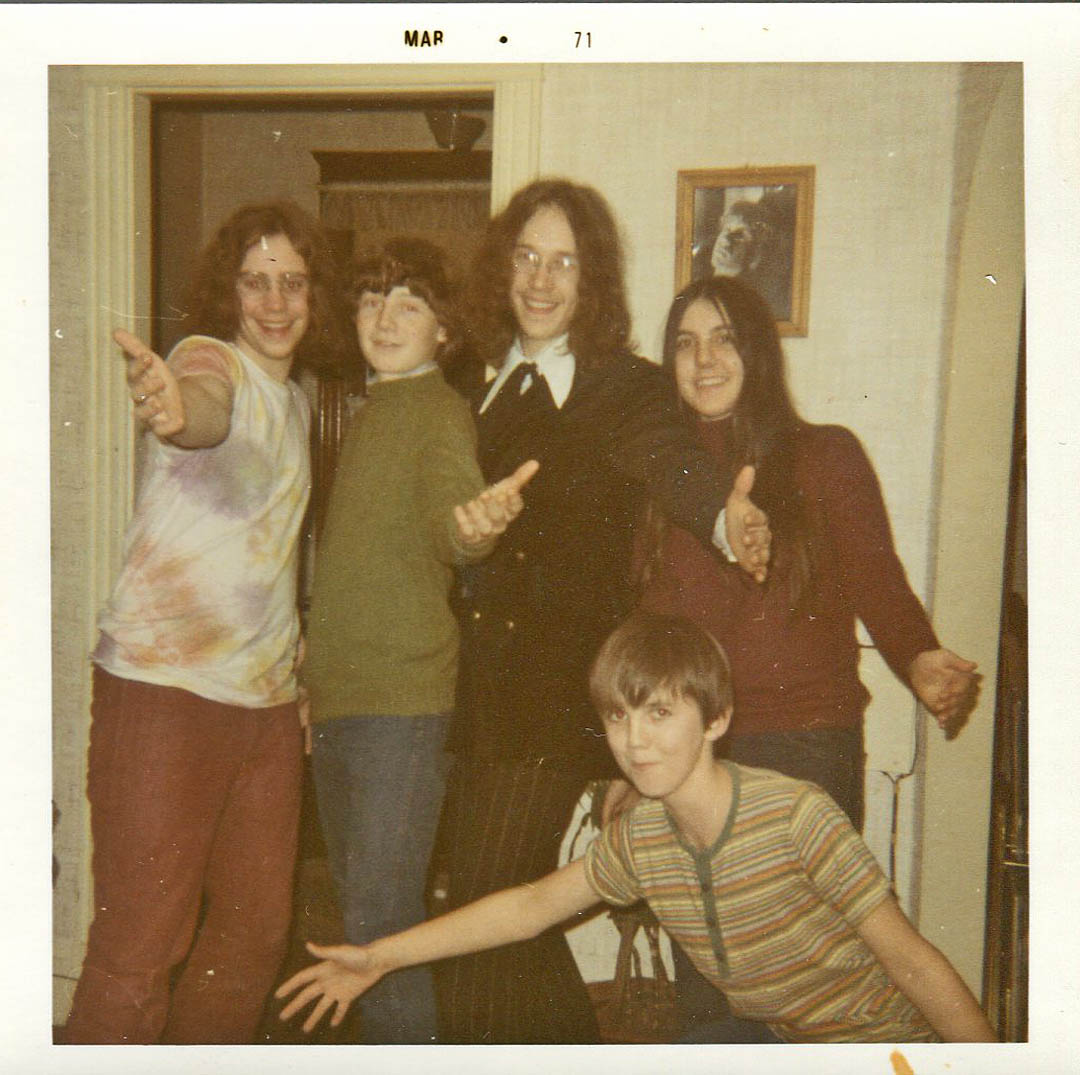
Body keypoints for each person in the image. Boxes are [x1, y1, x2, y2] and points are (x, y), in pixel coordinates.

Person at [275, 612, 997, 1044]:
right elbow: (529, 906)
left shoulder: (796, 816)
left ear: (716, 719)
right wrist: (381, 957)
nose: (634, 741)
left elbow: (914, 964)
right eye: (618, 716)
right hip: (778, 1040)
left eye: (659, 713)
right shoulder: (642, 839)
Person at [430, 177, 770, 1044]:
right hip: (459, 688)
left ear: (594, 280)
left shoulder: (622, 387)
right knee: (498, 918)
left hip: (549, 698)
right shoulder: (467, 382)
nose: (541, 280)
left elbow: (671, 460)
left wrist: (724, 519)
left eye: (565, 263)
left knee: (479, 918)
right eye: (527, 257)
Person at [636, 273, 979, 1040]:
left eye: (724, 338)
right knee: (710, 992)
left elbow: (877, 582)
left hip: (805, 748)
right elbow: (647, 635)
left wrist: (919, 657)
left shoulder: (826, 454)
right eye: (685, 343)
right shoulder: (662, 485)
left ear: (758, 351)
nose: (704, 359)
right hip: (694, 756)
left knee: (811, 996)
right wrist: (625, 767)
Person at [64, 201, 348, 1044]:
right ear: (230, 291)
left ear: (315, 294)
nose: (275, 301)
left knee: (252, 941)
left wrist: (292, 665)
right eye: (255, 281)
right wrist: (172, 407)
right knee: (140, 948)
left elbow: (269, 553)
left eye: (292, 282)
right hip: (164, 690)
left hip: (264, 708)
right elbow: (201, 406)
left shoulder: (297, 403)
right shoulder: (209, 359)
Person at [301, 238, 537, 1044]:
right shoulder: (371, 412)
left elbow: (452, 519)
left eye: (409, 303)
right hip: (340, 703)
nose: (385, 317)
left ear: (445, 330)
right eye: (372, 300)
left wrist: (475, 525)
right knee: (364, 920)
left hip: (399, 708)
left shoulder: (437, 409)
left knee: (381, 931)